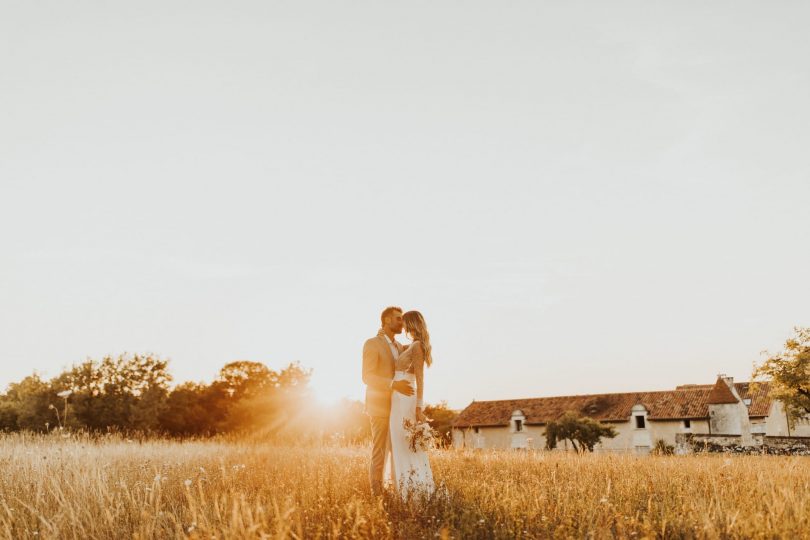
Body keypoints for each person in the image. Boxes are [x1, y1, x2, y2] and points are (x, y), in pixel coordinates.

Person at [362, 306, 414, 497]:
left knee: (398, 451)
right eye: (398, 319)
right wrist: (393, 384)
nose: (402, 322)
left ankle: (395, 489)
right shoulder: (371, 343)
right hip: (379, 406)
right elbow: (367, 376)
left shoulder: (400, 346)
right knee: (380, 451)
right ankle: (376, 493)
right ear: (386, 321)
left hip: (398, 408)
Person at [383, 310, 435, 497]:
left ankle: (411, 491)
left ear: (410, 324)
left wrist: (419, 408)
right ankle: (400, 487)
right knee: (398, 443)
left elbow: (420, 380)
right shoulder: (411, 345)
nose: (402, 325)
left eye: (404, 322)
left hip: (406, 400)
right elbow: (394, 348)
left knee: (404, 442)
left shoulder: (418, 346)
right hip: (398, 398)